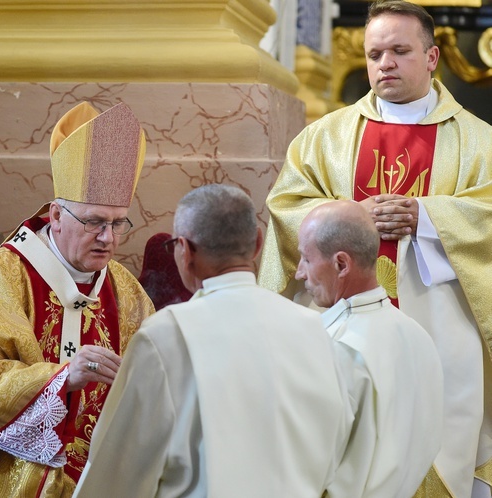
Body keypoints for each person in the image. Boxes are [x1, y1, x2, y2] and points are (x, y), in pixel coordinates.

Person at [259, 1, 492, 495]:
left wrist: (427, 216)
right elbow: (285, 206)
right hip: (340, 328)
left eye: (399, 51)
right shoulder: (324, 138)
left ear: (432, 58)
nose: (384, 63)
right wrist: (352, 216)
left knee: (436, 444)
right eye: (374, 53)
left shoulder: (479, 142)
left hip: (440, 324)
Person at [74, 184, 349, 497]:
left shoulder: (166, 336)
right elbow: (338, 443)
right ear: (258, 243)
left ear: (185, 251)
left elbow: (119, 472)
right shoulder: (315, 328)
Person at [0, 101, 155, 497]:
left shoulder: (125, 290)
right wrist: (60, 379)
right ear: (55, 215)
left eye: (117, 222)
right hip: (19, 475)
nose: (108, 237)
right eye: (93, 222)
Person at [297, 201, 444, 497]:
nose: (300, 273)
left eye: (306, 259)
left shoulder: (334, 348)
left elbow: (307, 464)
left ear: (341, 264)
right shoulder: (418, 336)